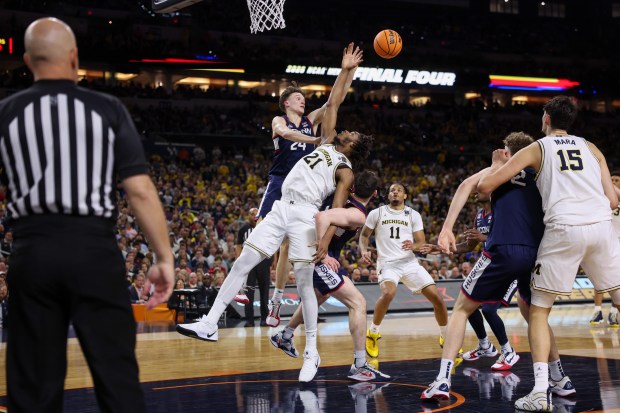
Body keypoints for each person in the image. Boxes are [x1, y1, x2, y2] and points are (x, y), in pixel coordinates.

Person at [0, 18, 174, 413]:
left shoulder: (7, 113)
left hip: (32, 253)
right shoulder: (106, 108)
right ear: (75, 57)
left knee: (33, 390)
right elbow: (140, 191)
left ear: (28, 60)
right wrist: (164, 258)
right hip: (94, 253)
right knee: (117, 381)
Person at [176, 43, 372, 383]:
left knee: (307, 287)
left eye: (351, 134)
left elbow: (337, 210)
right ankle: (210, 324)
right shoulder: (324, 140)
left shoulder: (345, 169)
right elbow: (334, 100)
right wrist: (345, 70)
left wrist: (324, 245)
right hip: (281, 206)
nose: (346, 130)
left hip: (306, 216)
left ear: (353, 147)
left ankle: (311, 352)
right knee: (242, 262)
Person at [478, 96, 620, 411]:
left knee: (538, 310)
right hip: (601, 227)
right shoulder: (591, 147)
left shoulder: (536, 148)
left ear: (545, 117)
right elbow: (612, 200)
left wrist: (497, 164)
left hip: (564, 228)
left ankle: (541, 391)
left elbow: (485, 187)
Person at [421, 132, 574, 405]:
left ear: (508, 152)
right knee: (535, 315)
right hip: (538, 253)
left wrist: (446, 229)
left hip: (504, 248)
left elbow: (468, 186)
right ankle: (560, 378)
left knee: (462, 308)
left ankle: (442, 380)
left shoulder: (501, 169)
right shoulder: (543, 170)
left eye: (503, 149)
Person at [261, 48, 361, 328]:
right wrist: (314, 141)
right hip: (281, 181)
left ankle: (278, 301)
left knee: (287, 246)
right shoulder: (280, 121)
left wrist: (349, 72)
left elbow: (333, 101)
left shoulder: (311, 120)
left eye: (304, 98)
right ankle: (265, 295)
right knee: (268, 241)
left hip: (305, 188)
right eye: (298, 98)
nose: (303, 101)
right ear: (285, 103)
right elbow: (286, 134)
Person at [269, 171, 390, 381]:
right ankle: (360, 365)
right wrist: (322, 251)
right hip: (317, 256)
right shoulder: (358, 214)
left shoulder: (338, 195)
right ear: (375, 193)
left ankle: (284, 335)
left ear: (352, 187)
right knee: (358, 303)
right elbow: (322, 217)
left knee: (319, 296)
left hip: (313, 250)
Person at [425, 196, 520, 370]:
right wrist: (440, 248)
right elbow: (468, 247)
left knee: (489, 309)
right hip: (492, 266)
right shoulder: (479, 215)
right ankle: (485, 345)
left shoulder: (503, 210)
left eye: (480, 188)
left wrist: (484, 237)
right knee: (468, 303)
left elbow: (512, 237)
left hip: (511, 266)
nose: (476, 191)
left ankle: (508, 351)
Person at [359, 183, 449, 358]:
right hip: (387, 263)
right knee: (388, 294)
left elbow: (421, 242)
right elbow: (364, 235)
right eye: (392, 190)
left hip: (409, 263)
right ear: (388, 194)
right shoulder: (376, 213)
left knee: (437, 297)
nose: (395, 192)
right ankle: (373, 332)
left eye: (399, 190)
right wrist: (364, 250)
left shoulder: (413, 215)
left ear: (405, 196)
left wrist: (414, 245)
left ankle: (446, 336)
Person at [589, 171, 620, 328]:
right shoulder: (601, 197)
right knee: (598, 278)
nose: (613, 181)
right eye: (612, 179)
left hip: (618, 243)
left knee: (617, 281)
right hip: (604, 241)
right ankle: (598, 310)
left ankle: (614, 312)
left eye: (616, 180)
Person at [237, 207, 271, 327]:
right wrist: (239, 261)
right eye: (252, 214)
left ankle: (264, 318)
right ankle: (249, 320)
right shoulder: (243, 229)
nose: (254, 216)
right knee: (248, 292)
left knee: (264, 292)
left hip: (263, 262)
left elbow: (274, 246)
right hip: (248, 264)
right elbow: (238, 246)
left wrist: (274, 262)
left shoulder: (266, 228)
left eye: (256, 213)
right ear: (248, 216)